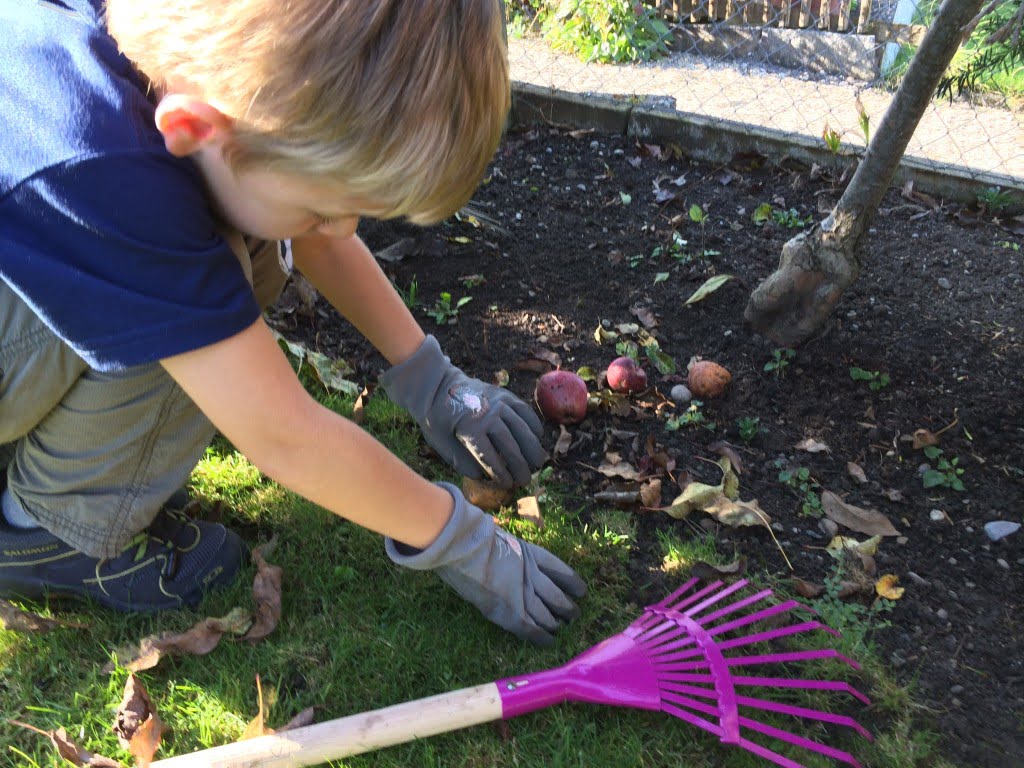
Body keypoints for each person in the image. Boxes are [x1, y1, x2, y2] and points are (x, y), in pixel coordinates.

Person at [0, 0, 585, 647]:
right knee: (201, 293)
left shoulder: (192, 52)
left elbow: (310, 231)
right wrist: (461, 539)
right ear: (195, 128)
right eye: (321, 209)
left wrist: (427, 376)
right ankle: (48, 532)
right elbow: (282, 433)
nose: (341, 230)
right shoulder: (103, 170)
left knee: (239, 250)